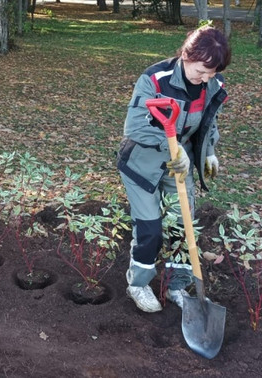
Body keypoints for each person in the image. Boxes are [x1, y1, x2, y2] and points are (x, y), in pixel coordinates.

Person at [117, 26, 231, 312]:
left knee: (183, 227)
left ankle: (177, 285)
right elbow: (135, 126)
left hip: (179, 166)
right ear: (185, 55)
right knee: (151, 228)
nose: (206, 79)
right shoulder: (155, 79)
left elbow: (209, 122)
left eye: (212, 73)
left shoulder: (212, 85)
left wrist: (210, 152)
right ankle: (138, 284)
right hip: (141, 165)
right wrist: (171, 146)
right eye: (201, 71)